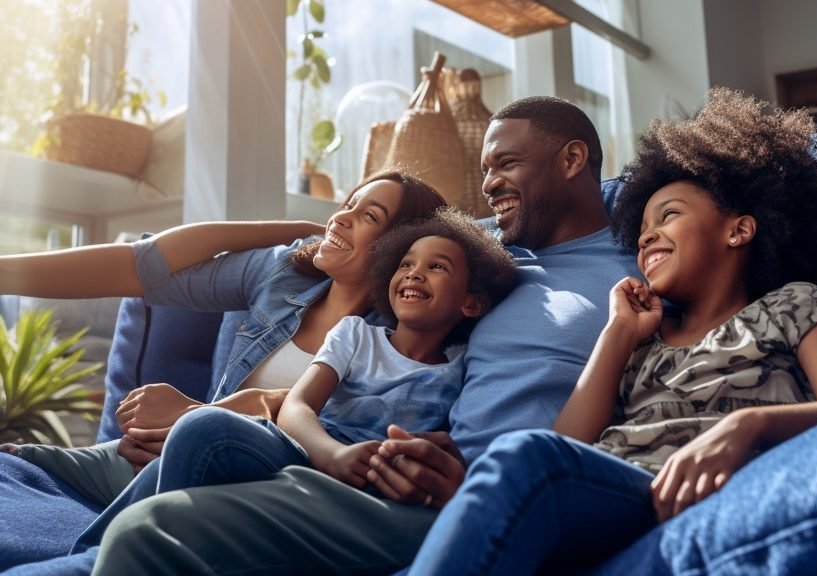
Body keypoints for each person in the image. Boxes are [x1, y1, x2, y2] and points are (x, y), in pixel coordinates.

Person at [87, 96, 639, 575]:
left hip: (489, 494)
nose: (489, 184)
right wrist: (312, 229)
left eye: (507, 164)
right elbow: (374, 262)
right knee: (200, 438)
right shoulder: (476, 248)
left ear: (572, 159)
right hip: (395, 465)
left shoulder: (637, 265)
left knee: (151, 530)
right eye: (486, 167)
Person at [405, 88, 817, 575]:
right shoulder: (642, 344)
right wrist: (617, 334)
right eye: (642, 229)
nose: (647, 235)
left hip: (706, 489)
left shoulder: (794, 305)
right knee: (522, 458)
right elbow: (567, 444)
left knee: (522, 459)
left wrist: (748, 426)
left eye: (669, 216)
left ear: (738, 230)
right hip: (620, 492)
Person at [0, 170, 446, 569]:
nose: (341, 219)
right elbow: (147, 265)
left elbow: (311, 422)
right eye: (346, 205)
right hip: (171, 455)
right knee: (15, 464)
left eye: (369, 216)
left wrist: (192, 412)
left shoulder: (404, 331)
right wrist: (288, 229)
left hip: (245, 478)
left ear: (402, 246)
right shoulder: (286, 275)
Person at [69, 208, 517, 551]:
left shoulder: (462, 366)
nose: (415, 272)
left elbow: (460, 439)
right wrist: (334, 455)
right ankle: (97, 551)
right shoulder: (356, 334)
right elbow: (298, 408)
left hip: (371, 484)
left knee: (198, 432)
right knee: (201, 428)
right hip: (307, 449)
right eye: (406, 263)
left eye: (438, 267)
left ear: (471, 305)